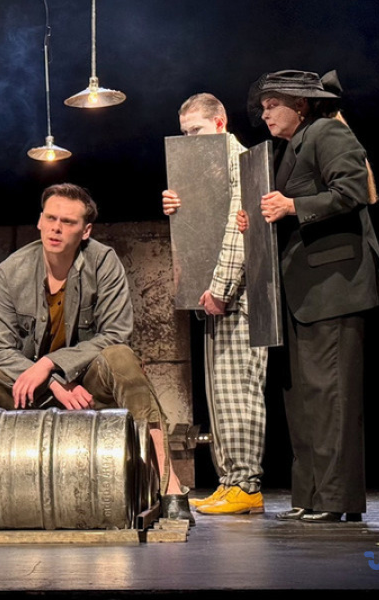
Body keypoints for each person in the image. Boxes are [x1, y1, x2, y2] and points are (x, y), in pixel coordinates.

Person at [0, 183, 194, 524]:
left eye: (68, 222)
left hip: (87, 385)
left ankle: (169, 485)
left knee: (122, 357)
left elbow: (115, 333)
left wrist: (52, 364)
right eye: (50, 218)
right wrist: (51, 381)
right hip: (32, 388)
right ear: (39, 221)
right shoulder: (11, 270)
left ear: (86, 231)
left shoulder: (102, 262)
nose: (56, 228)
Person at [241, 70, 379, 523]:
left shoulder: (327, 132)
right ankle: (309, 495)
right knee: (303, 398)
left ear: (301, 105)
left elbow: (353, 190)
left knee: (331, 396)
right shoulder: (288, 149)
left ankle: (336, 500)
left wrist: (292, 206)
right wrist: (259, 221)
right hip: (301, 291)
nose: (265, 114)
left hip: (334, 287)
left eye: (273, 105)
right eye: (263, 107)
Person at [161, 94, 268, 515]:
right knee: (221, 393)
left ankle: (245, 483)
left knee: (240, 391)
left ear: (220, 124)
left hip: (240, 296)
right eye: (185, 133)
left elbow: (238, 231)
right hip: (214, 296)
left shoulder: (242, 162)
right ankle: (230, 481)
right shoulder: (204, 170)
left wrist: (221, 288)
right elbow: (202, 229)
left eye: (197, 131)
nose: (191, 140)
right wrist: (178, 208)